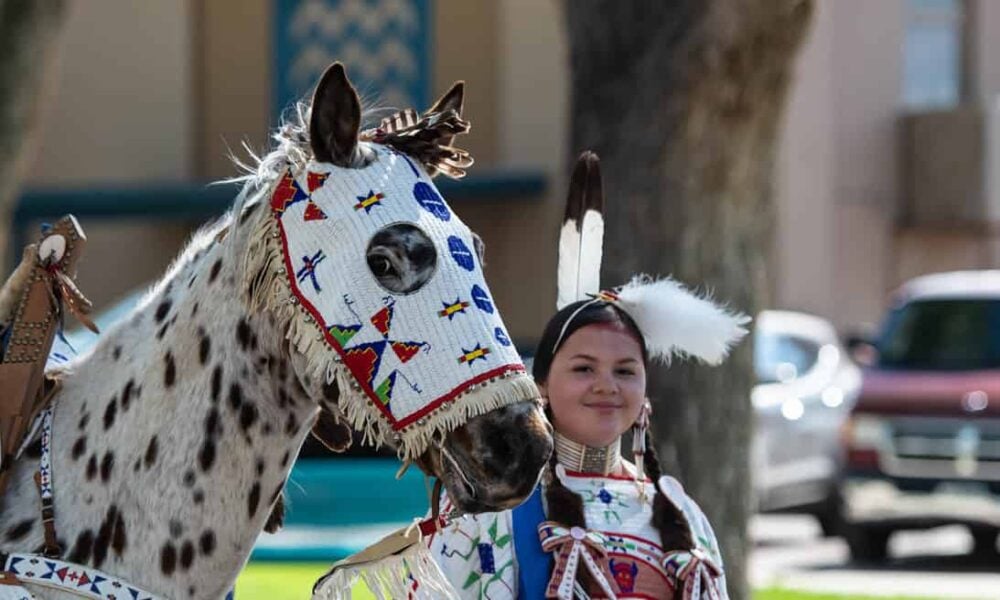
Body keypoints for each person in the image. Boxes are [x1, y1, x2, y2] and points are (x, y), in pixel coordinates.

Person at [425, 152, 748, 599]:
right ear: (540, 387)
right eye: (583, 368)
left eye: (625, 370)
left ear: (645, 391)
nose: (606, 385)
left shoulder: (681, 516)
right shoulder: (490, 507)